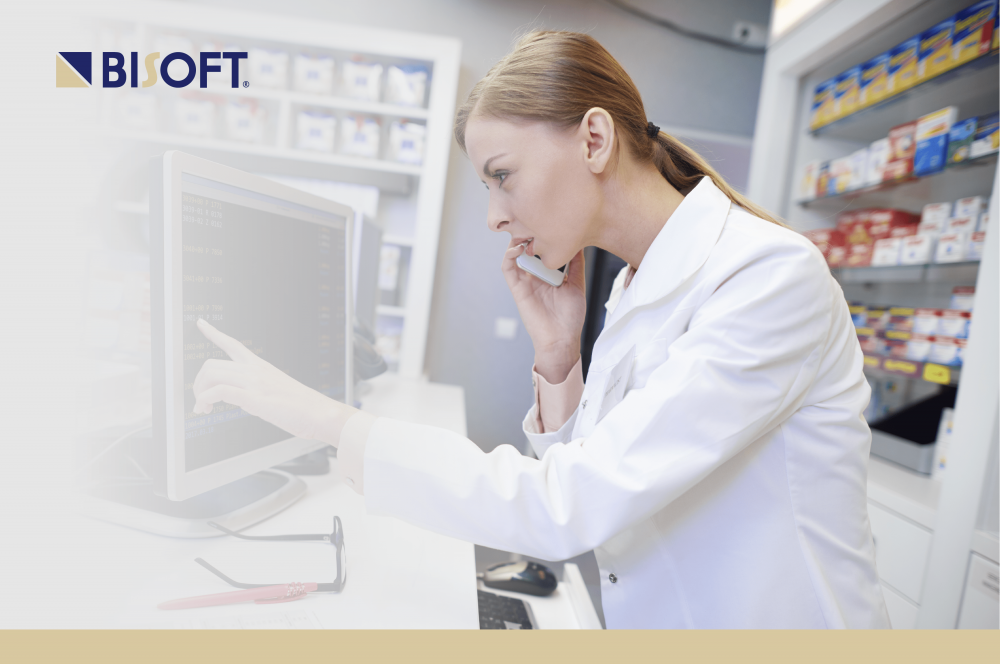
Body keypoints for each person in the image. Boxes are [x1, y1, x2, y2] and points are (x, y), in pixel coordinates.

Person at [191, 30, 890, 629]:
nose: (494, 215)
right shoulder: (635, 283)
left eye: (502, 175)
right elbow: (604, 472)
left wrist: (326, 420)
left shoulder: (768, 278)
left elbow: (569, 504)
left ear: (594, 139)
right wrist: (559, 356)